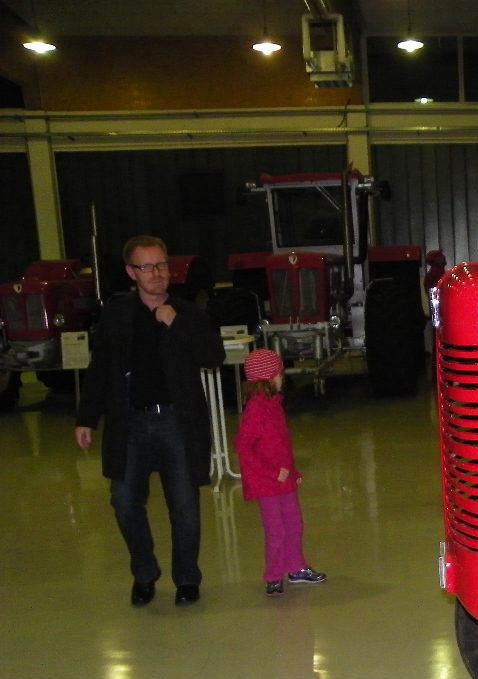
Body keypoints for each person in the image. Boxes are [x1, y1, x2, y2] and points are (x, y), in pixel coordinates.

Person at [75, 236, 225, 607]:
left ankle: (187, 579)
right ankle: (144, 574)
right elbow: (101, 367)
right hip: (129, 423)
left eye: (161, 265)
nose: (157, 274)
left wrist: (177, 324)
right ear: (131, 273)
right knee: (124, 501)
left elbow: (213, 356)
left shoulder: (188, 311)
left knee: (185, 506)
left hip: (176, 423)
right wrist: (86, 418)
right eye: (147, 267)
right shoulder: (117, 314)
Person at [234, 349, 325, 597]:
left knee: (294, 523)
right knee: (276, 530)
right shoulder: (256, 410)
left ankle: (296, 567)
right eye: (279, 374)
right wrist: (272, 472)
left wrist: (292, 472)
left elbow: (281, 446)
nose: (281, 378)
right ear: (268, 378)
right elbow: (244, 447)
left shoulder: (274, 406)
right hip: (267, 483)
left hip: (284, 481)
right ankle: (274, 575)